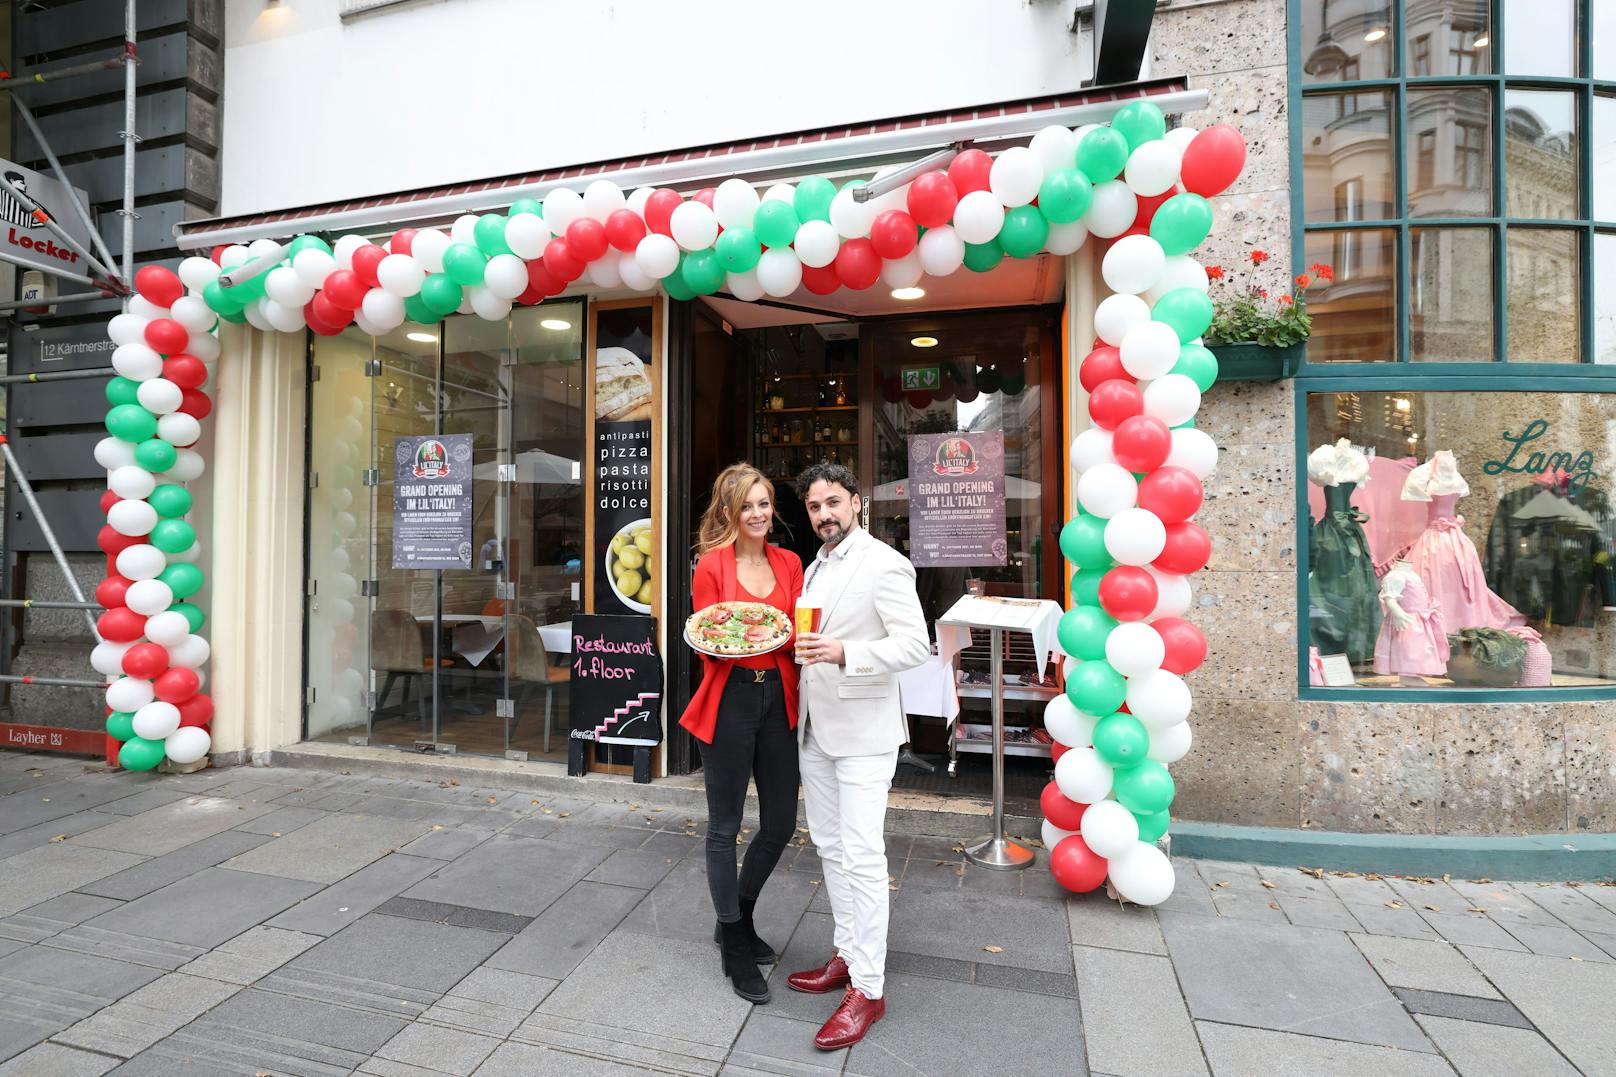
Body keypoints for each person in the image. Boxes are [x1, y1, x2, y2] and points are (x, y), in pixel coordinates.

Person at [787, 462, 930, 1050]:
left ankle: (868, 989)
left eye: (833, 503)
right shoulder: (816, 567)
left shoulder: (885, 563)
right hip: (816, 729)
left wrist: (846, 651)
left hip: (865, 731)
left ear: (856, 503)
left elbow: (915, 645)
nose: (824, 514)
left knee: (864, 854)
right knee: (830, 846)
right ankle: (847, 954)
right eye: (815, 506)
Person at [678, 463, 804, 1005]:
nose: (758, 514)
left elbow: (800, 628)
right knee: (723, 826)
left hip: (779, 695)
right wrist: (737, 638)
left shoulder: (791, 562)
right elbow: (707, 635)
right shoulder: (710, 565)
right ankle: (733, 939)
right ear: (729, 512)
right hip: (729, 698)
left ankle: (740, 914)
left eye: (764, 503)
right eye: (748, 505)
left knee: (779, 823)